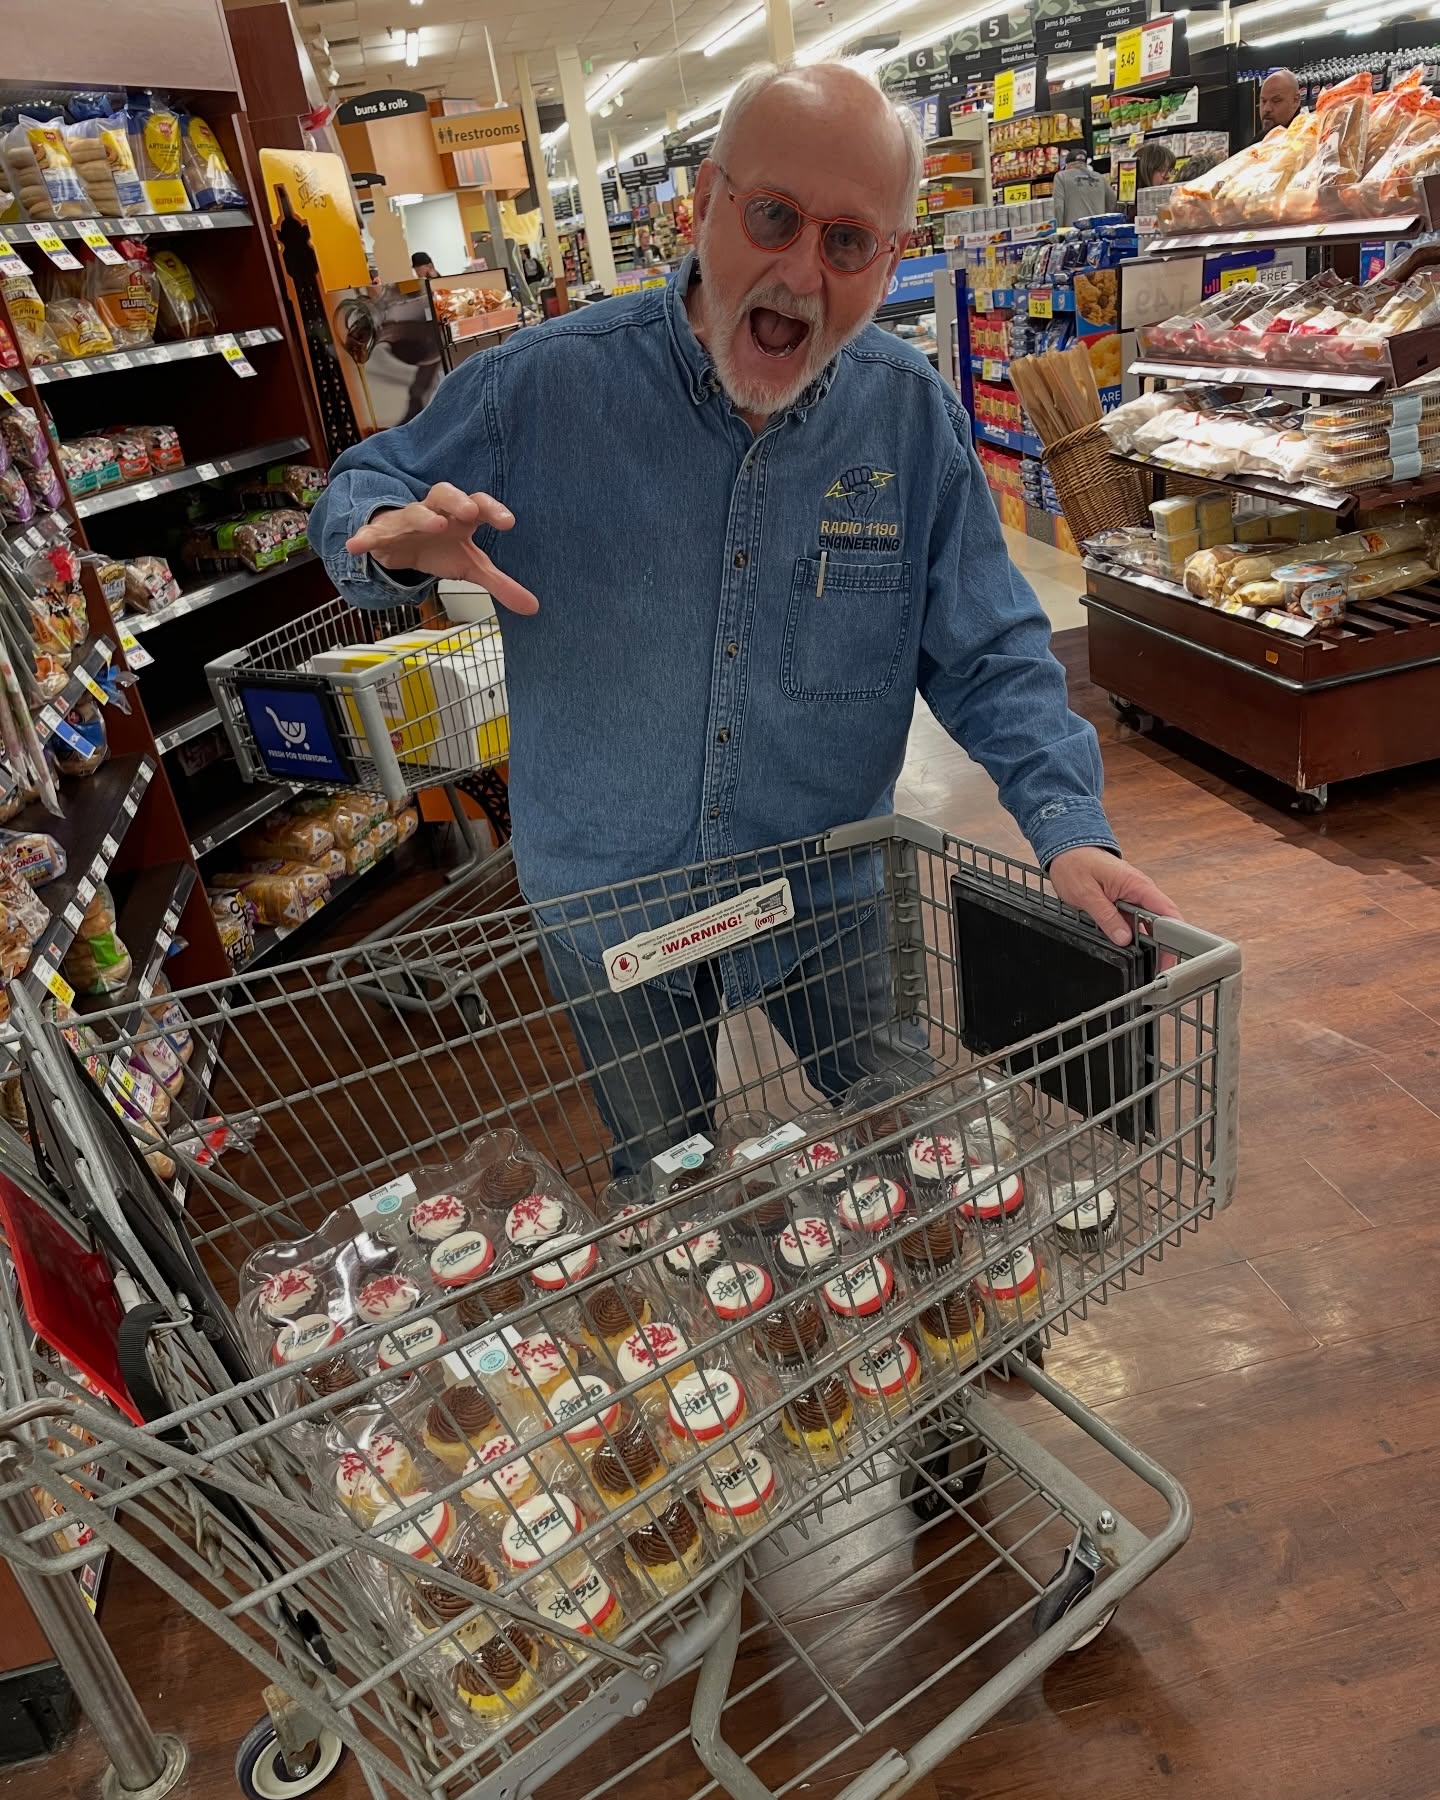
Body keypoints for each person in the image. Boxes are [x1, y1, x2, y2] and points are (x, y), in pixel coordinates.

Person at [310, 60, 1176, 1174]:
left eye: (849, 243)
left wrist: (1069, 826)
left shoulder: (909, 420)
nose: (802, 272)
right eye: (773, 216)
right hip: (611, 898)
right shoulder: (538, 387)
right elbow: (355, 491)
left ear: (890, 263)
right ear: (704, 203)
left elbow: (992, 649)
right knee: (666, 1172)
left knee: (901, 1143)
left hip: (827, 884)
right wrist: (388, 538)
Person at [1052, 149, 1118, 226]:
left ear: (1067, 165)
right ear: (1086, 164)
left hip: (1074, 233)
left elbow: (1058, 207)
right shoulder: (1100, 177)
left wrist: (1058, 230)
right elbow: (1112, 202)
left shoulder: (1061, 176)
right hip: (1098, 231)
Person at [1259, 68, 1303, 135]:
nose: (1266, 109)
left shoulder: (1306, 139)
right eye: (1263, 101)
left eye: (1275, 101)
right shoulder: (1263, 137)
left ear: (1295, 101)